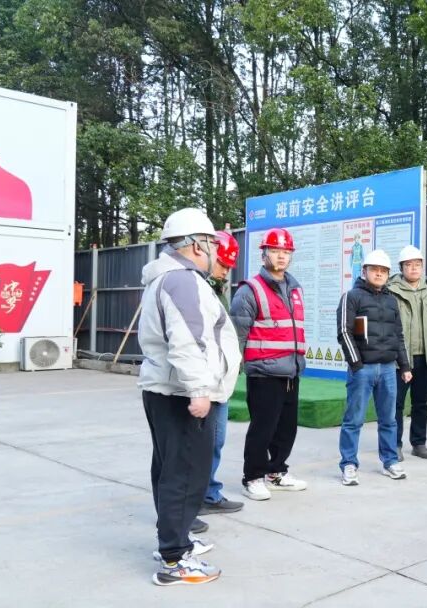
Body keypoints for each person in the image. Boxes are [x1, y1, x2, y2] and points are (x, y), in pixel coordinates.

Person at [138, 208, 240, 585]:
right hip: (182, 392)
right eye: (212, 243)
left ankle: (174, 539)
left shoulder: (167, 278)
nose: (216, 251)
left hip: (166, 389)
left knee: (170, 469)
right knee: (184, 473)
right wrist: (200, 390)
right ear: (198, 245)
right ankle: (175, 559)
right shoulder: (182, 281)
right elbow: (189, 341)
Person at [231, 227, 309, 501]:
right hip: (264, 372)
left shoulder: (295, 289)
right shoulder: (249, 290)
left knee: (286, 428)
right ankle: (252, 477)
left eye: (286, 252)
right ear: (264, 254)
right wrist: (232, 369)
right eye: (275, 251)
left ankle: (276, 471)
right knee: (262, 428)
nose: (281, 256)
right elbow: (237, 335)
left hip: (291, 370)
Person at [337, 248, 413, 485]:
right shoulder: (352, 297)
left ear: (388, 274)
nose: (379, 274)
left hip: (389, 368)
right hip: (363, 369)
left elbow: (398, 336)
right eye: (374, 269)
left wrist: (404, 366)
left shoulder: (392, 301)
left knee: (389, 419)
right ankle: (349, 464)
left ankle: (390, 461)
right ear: (364, 271)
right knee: (354, 419)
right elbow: (344, 332)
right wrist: (357, 364)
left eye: (383, 271)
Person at [200, 230, 244, 516]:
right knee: (200, 445)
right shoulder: (195, 290)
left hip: (220, 381)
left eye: (229, 267)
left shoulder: (216, 291)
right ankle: (193, 501)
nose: (226, 271)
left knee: (215, 441)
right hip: (204, 381)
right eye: (223, 265)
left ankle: (209, 493)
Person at [388, 245, 427, 460]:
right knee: (397, 403)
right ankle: (394, 444)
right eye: (409, 265)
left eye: (417, 265)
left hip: (425, 357)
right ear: (401, 268)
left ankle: (419, 443)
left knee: (421, 402)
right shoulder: (391, 292)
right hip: (400, 359)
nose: (413, 268)